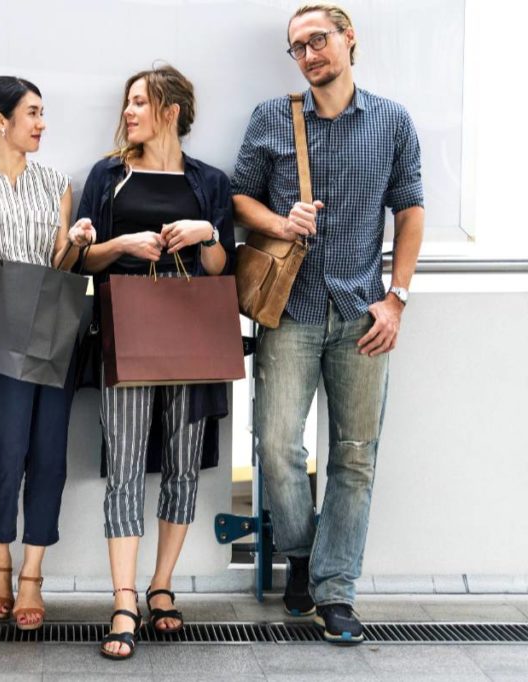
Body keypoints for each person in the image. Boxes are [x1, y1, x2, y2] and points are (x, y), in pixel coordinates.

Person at [232, 3, 424, 644]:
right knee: (278, 448)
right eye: (298, 46)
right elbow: (239, 198)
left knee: (355, 456)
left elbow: (411, 210)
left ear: (349, 41)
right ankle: (302, 555)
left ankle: (334, 593)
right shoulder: (271, 118)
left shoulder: (393, 121)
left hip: (363, 311)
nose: (310, 53)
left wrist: (396, 297)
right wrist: (281, 222)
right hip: (289, 310)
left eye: (319, 40)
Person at [76, 65, 237, 660]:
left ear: (171, 111)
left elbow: (221, 270)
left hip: (194, 334)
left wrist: (205, 234)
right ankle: (123, 598)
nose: (129, 113)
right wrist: (122, 245)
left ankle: (161, 586)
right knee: (122, 464)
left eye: (140, 102)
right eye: (128, 103)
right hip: (127, 331)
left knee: (184, 464)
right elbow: (82, 260)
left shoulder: (209, 182)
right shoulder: (107, 175)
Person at [0, 75, 94, 631]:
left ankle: (33, 570)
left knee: (49, 453)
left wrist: (76, 241)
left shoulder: (56, 180)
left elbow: (61, 265)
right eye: (32, 113)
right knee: (3, 450)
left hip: (52, 327)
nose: (41, 123)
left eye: (43, 113)